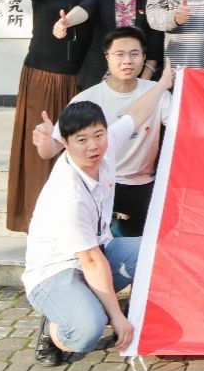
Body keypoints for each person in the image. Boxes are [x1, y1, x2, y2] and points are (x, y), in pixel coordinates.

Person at [23, 64, 175, 367]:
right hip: (56, 272)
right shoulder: (68, 194)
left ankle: (101, 305)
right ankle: (54, 325)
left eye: (98, 135)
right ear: (65, 143)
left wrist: (161, 84)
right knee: (85, 331)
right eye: (81, 140)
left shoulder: (105, 146)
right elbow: (90, 261)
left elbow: (136, 113)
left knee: (159, 252)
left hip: (99, 252)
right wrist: (116, 317)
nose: (93, 146)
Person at [0, 0, 102, 233]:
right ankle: (36, 222)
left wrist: (68, 22)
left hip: (79, 83)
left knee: (74, 150)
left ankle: (73, 222)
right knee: (39, 149)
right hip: (41, 79)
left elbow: (87, 10)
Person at [32, 27, 175, 237]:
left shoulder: (157, 93)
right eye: (119, 54)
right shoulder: (88, 98)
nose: (127, 61)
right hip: (101, 182)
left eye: (134, 54)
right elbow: (49, 151)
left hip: (144, 183)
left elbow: (181, 130)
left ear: (144, 58)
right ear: (107, 58)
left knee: (162, 235)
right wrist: (44, 140)